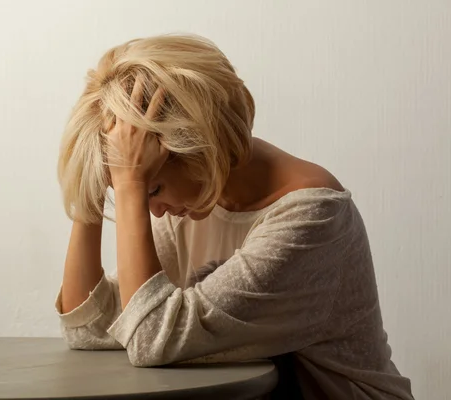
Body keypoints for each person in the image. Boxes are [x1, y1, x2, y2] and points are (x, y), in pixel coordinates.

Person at [55, 34, 413, 399]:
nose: (153, 211)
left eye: (154, 190)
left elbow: (151, 338)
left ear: (197, 149)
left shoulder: (313, 218)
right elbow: (92, 328)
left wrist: (131, 180)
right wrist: (92, 185)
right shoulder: (195, 204)